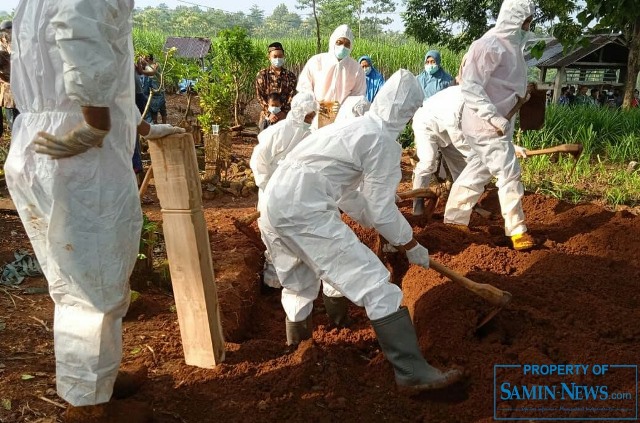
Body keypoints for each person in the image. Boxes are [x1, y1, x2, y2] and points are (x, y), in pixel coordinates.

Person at [4, 2, 183, 421]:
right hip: (78, 154)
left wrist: (140, 127)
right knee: (93, 282)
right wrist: (97, 123)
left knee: (79, 278)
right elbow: (78, 33)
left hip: (53, 140)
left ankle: (96, 378)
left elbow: (100, 64)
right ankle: (89, 408)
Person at [259, 69, 462, 391]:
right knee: (376, 286)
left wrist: (376, 208)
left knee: (298, 284)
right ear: (408, 112)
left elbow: (347, 194)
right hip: (305, 211)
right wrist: (410, 244)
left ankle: (299, 357)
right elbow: (381, 211)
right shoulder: (383, 142)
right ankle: (412, 373)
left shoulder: (350, 127)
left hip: (273, 205)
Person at [444, 0, 537, 251]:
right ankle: (517, 231)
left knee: (478, 170)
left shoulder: (512, 46)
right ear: (512, 19)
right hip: (487, 124)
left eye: (529, 23)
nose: (527, 28)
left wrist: (523, 94)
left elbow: (504, 84)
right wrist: (493, 117)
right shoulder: (489, 45)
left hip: (496, 123)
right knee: (509, 172)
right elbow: (471, 86)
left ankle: (453, 219)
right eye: (524, 23)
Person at [250, 92, 317, 289]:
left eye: (312, 117)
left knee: (297, 238)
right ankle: (272, 284)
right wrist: (268, 186)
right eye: (307, 116)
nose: (309, 120)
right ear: (298, 113)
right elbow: (258, 161)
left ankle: (298, 283)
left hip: (297, 196)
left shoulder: (309, 136)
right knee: (273, 239)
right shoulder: (277, 132)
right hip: (271, 194)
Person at [411, 85, 472, 215]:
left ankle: (464, 204)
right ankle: (418, 205)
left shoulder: (477, 99)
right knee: (427, 162)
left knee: (461, 167)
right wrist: (481, 155)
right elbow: (458, 137)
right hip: (426, 125)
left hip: (447, 130)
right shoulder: (459, 100)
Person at [297, 24, 365, 129]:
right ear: (333, 41)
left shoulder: (356, 69)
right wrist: (312, 106)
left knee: (337, 144)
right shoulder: (317, 61)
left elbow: (358, 95)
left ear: (351, 46)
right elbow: (305, 86)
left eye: (347, 44)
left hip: (343, 116)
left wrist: (347, 111)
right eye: (339, 42)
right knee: (317, 142)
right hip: (317, 112)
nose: (343, 47)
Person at [255, 42, 297, 131]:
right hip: (267, 118)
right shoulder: (262, 75)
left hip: (285, 118)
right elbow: (260, 96)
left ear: (284, 56)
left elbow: (292, 96)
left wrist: (284, 112)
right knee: (265, 143)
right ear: (269, 57)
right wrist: (269, 113)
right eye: (275, 56)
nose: (278, 59)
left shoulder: (290, 76)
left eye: (280, 56)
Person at [0, 20, 18, 132]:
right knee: (15, 128)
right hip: (9, 95)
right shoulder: (2, 48)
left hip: (20, 95)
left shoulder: (17, 44)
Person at [141, 54, 167, 124]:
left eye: (144, 57)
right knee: (153, 109)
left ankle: (164, 123)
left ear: (148, 57)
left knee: (162, 109)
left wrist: (142, 70)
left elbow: (152, 73)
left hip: (159, 90)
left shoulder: (156, 65)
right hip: (151, 92)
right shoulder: (144, 67)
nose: (143, 58)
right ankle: (155, 124)